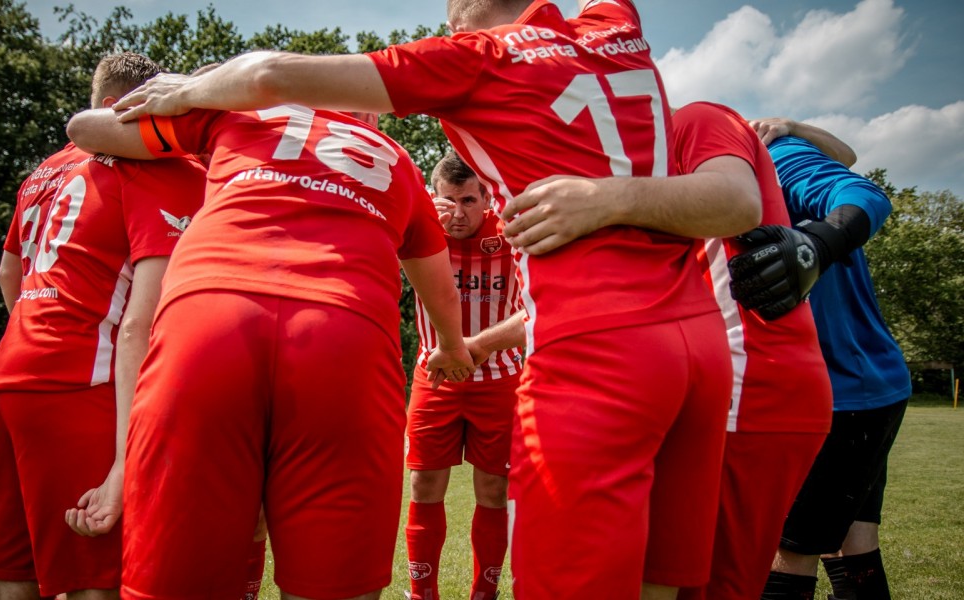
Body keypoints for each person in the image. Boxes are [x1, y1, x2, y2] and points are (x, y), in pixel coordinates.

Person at [107, 1, 766, 597]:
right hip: (698, 345)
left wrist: (186, 89)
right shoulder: (613, 22)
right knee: (658, 584)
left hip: (595, 346)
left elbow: (269, 74)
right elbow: (741, 204)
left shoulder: (475, 57)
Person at [67, 91, 475, 597]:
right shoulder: (397, 162)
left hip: (209, 318)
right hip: (343, 330)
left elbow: (85, 128)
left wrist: (194, 94)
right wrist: (452, 348)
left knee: (178, 578)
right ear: (369, 118)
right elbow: (440, 292)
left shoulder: (241, 115)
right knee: (333, 587)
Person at [480, 102, 834, 599]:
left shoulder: (694, 121)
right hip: (724, 384)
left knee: (714, 589)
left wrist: (602, 197)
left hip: (750, 385)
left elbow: (746, 198)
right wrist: (477, 345)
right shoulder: (652, 187)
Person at [0, 52, 207, 600]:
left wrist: (40, 334)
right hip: (79, 383)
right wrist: (125, 463)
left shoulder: (44, 170)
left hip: (7, 376)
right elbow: (137, 325)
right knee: (95, 580)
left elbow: (9, 274)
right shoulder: (155, 166)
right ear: (116, 107)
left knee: (9, 577)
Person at [727, 120, 912, 600]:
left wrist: (819, 243)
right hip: (869, 386)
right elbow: (846, 155)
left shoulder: (766, 156)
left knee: (787, 553)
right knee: (853, 546)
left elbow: (862, 193)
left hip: (838, 393)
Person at [405, 152, 522, 600]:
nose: (458, 213)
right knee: (424, 484)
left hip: (500, 377)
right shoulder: (415, 227)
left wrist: (477, 345)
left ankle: (483, 594)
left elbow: (540, 307)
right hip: (435, 378)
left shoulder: (511, 230)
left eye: (469, 201)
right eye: (447, 201)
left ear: (487, 199)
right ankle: (422, 594)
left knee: (494, 488)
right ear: (432, 197)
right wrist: (418, 222)